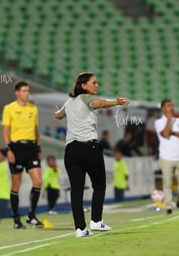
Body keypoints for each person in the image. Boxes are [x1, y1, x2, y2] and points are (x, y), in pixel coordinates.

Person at [55, 71, 129, 237]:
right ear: (84, 86)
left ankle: (80, 229)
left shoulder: (69, 102)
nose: (97, 85)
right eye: (94, 82)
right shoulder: (86, 98)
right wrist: (116, 102)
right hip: (89, 149)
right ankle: (96, 221)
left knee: (76, 190)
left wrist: (58, 114)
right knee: (99, 185)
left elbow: (59, 115)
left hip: (71, 151)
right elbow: (100, 103)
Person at [2, 81, 43, 229]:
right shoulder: (9, 108)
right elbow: (5, 131)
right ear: (17, 93)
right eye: (24, 91)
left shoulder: (33, 108)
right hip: (16, 147)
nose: (27, 93)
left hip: (31, 147)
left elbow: (36, 130)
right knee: (16, 185)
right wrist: (8, 149)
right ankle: (16, 219)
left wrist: (39, 148)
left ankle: (31, 215)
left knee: (38, 182)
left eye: (28, 91)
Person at [154, 99, 179, 214]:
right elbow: (165, 133)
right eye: (169, 106)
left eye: (172, 106)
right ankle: (168, 206)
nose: (172, 108)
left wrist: (174, 133)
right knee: (167, 183)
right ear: (163, 108)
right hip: (166, 157)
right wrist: (169, 120)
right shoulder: (158, 122)